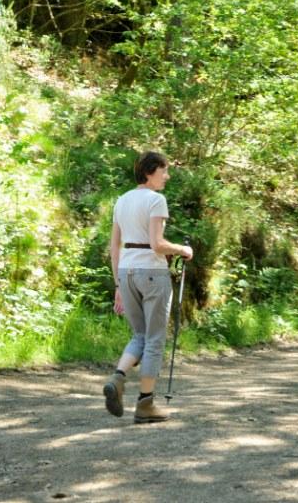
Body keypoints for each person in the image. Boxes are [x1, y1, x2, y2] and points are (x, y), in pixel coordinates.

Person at [103, 151, 193, 423]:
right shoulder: (156, 200)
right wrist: (183, 250)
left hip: (126, 271)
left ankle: (118, 377)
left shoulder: (122, 200)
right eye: (164, 171)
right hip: (152, 271)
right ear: (150, 171)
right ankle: (145, 405)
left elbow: (114, 246)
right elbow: (157, 244)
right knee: (154, 338)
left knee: (140, 334)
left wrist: (118, 282)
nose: (166, 177)